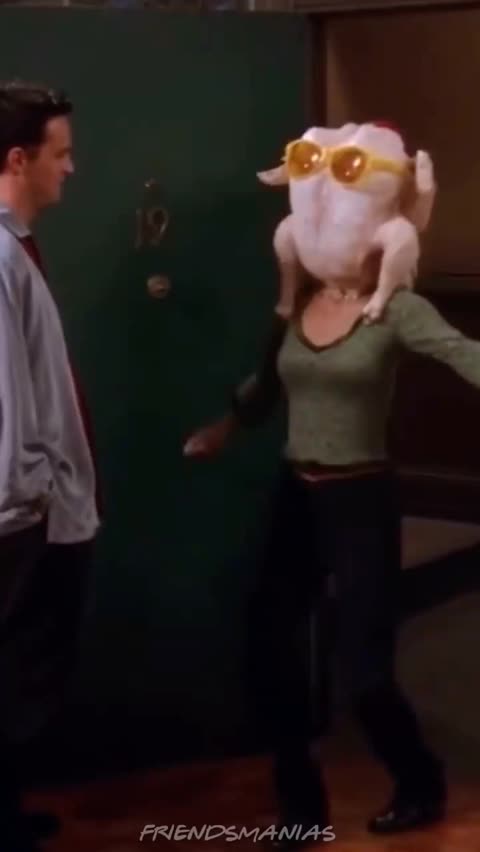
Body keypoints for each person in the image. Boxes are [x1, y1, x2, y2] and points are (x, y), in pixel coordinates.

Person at [184, 272, 480, 849]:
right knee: (271, 649)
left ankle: (420, 782)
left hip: (361, 498)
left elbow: (461, 351)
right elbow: (267, 382)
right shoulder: (298, 301)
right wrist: (225, 428)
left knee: (364, 670)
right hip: (297, 494)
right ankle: (301, 807)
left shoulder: (396, 308)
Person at [0, 81, 101, 852]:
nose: (70, 167)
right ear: (17, 159)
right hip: (17, 519)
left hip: (35, 508)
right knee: (13, 678)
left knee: (23, 679)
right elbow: (6, 394)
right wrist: (26, 501)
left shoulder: (16, 249)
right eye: (59, 153)